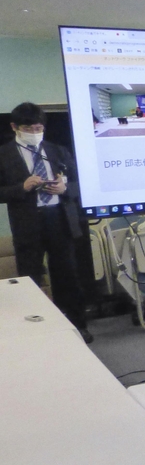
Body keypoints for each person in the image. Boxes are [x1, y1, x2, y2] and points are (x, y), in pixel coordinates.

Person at [0, 102, 92, 342]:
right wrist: (22, 187)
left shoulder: (58, 150)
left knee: (67, 275)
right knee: (29, 278)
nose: (34, 132)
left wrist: (64, 188)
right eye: (28, 128)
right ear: (14, 127)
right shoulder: (4, 154)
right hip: (27, 223)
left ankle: (77, 326)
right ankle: (34, 332)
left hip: (59, 219)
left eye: (39, 127)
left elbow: (81, 185)